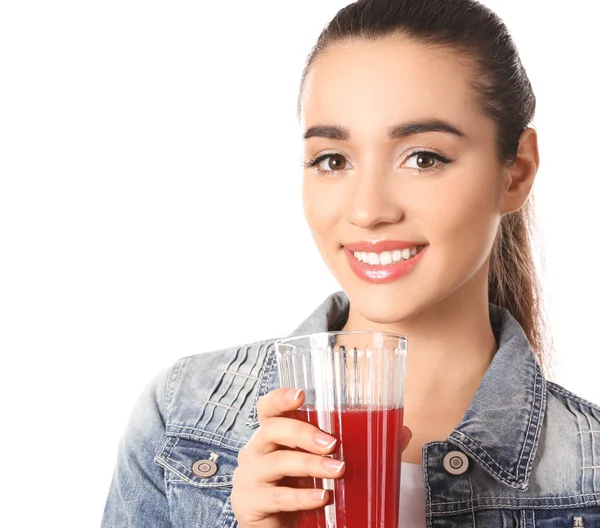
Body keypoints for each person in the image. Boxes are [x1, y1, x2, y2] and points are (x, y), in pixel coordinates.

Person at [101, 0, 600, 526]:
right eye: (332, 160)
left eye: (423, 157)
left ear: (516, 171)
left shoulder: (588, 474)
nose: (367, 210)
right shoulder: (180, 419)